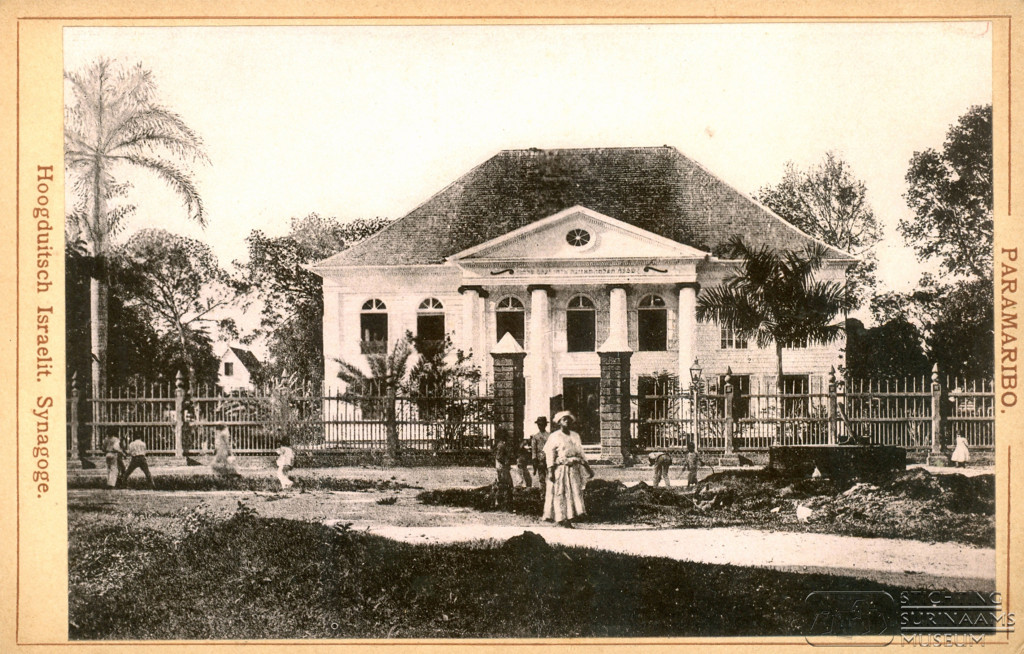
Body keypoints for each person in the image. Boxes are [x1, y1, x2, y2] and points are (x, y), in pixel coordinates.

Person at [543, 411, 594, 527]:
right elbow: (550, 454)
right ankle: (561, 518)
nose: (567, 421)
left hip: (574, 469)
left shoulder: (575, 436)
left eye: (569, 419)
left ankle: (570, 517)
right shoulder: (554, 436)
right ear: (559, 422)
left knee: (574, 492)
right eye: (564, 419)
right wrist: (550, 471)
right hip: (561, 469)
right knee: (560, 492)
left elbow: (581, 453)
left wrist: (588, 469)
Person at [493, 432, 514, 510]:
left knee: (504, 484)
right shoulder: (502, 445)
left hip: (502, 467)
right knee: (505, 484)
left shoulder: (501, 444)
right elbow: (499, 457)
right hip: (502, 467)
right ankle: (501, 503)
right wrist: (506, 462)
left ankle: (501, 502)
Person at [529, 416, 550, 490]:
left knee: (551, 478)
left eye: (542, 424)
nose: (540, 426)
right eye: (539, 424)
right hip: (540, 461)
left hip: (549, 460)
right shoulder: (535, 437)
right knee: (541, 478)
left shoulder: (550, 436)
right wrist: (534, 460)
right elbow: (534, 450)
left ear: (545, 425)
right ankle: (543, 495)